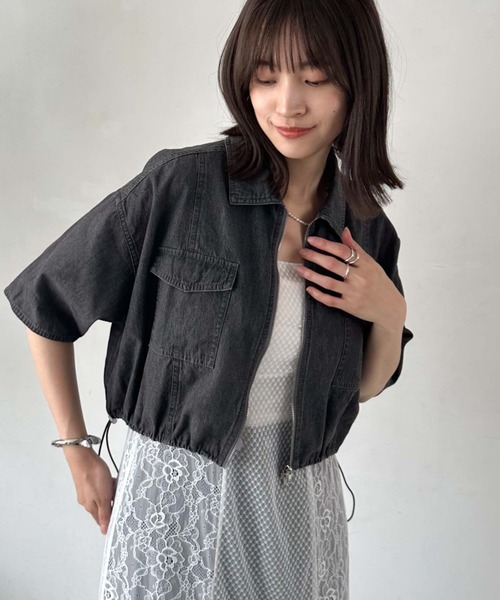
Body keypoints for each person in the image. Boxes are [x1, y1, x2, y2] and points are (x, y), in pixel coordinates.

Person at [3, 0, 414, 598]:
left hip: (297, 503)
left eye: (316, 78)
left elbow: (362, 387)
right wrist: (77, 452)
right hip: (178, 499)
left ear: (359, 83)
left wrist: (390, 313)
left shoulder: (365, 226)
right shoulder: (182, 187)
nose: (287, 104)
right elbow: (47, 303)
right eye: (266, 78)